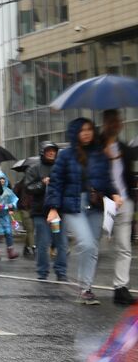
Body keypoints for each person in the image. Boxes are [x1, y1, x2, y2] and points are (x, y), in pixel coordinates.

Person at [47, 117, 121, 305]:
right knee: (87, 244)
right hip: (74, 206)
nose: (86, 133)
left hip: (95, 205)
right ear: (75, 133)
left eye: (89, 129)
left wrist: (114, 194)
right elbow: (56, 182)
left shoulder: (99, 154)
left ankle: (85, 289)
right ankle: (84, 286)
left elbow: (106, 179)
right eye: (82, 130)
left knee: (93, 247)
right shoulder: (65, 155)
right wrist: (53, 208)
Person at [102, 109, 135, 305]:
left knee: (124, 247)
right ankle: (85, 286)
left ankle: (120, 287)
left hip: (125, 202)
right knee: (97, 246)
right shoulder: (96, 147)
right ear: (105, 123)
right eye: (112, 121)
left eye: (118, 121)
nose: (117, 124)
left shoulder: (124, 147)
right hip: (105, 203)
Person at [23, 142, 65, 281]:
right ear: (43, 152)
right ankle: (42, 272)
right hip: (41, 212)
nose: (52, 153)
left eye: (54, 151)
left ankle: (61, 271)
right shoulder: (34, 168)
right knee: (43, 242)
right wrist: (42, 183)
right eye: (48, 151)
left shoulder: (61, 167)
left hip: (59, 211)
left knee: (61, 242)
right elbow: (28, 187)